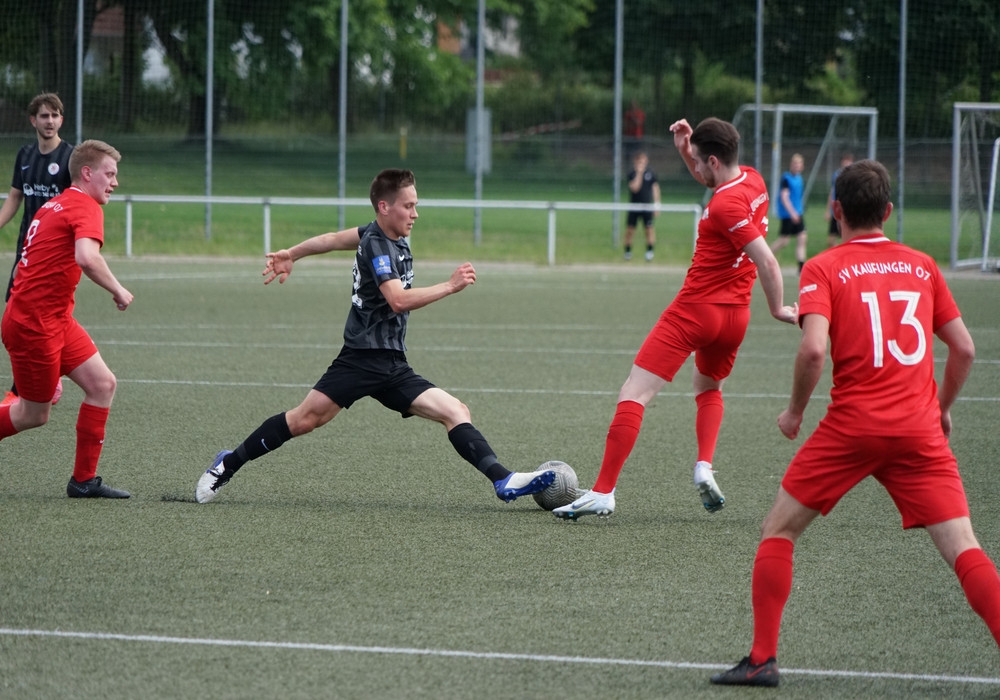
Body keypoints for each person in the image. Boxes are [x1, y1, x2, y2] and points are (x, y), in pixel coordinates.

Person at [711, 159, 1000, 688]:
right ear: (888, 211)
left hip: (852, 428)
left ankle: (762, 660)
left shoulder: (823, 267)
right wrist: (941, 410)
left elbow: (813, 350)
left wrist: (795, 412)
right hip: (918, 431)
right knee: (965, 548)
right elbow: (964, 348)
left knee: (778, 529)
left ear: (835, 210)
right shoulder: (923, 266)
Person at [196, 168, 556, 504]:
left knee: (455, 410)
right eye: (408, 206)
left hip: (392, 364)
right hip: (361, 359)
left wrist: (293, 253)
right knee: (304, 420)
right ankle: (227, 464)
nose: (415, 214)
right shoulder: (377, 244)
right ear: (385, 207)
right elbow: (397, 300)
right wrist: (449, 285)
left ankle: (503, 479)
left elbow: (332, 239)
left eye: (415, 205)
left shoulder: (383, 234)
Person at [554, 117, 798, 520]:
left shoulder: (723, 205)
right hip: (735, 317)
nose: (695, 169)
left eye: (699, 161)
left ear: (714, 161)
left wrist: (778, 308)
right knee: (708, 386)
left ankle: (602, 491)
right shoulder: (754, 181)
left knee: (634, 393)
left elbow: (768, 261)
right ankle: (704, 465)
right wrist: (686, 148)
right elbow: (712, 180)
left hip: (696, 310)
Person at [0, 139, 133, 498]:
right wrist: (118, 290)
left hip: (54, 319)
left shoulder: (53, 205)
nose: (115, 182)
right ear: (87, 173)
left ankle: (83, 481)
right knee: (33, 414)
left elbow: (34, 264)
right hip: (34, 324)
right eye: (110, 174)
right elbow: (86, 257)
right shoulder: (85, 206)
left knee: (102, 385)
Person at [0, 92, 74, 407]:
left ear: (61, 120)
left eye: (55, 116)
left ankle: (21, 390)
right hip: (26, 250)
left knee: (44, 317)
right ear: (33, 120)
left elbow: (78, 203)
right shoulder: (25, 154)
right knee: (16, 312)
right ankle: (44, 378)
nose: (50, 121)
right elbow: (15, 197)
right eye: (44, 116)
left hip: (55, 254)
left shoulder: (70, 157)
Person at [769, 153, 808, 273]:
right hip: (788, 214)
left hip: (798, 212)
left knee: (802, 237)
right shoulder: (786, 179)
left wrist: (798, 211)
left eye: (799, 164)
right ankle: (765, 257)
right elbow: (784, 197)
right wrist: (792, 213)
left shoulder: (799, 178)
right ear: (791, 165)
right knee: (784, 240)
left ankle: (801, 266)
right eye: (795, 163)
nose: (797, 166)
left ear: (802, 166)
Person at [623, 151, 660, 261]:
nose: (642, 164)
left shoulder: (651, 174)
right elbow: (635, 188)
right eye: (639, 162)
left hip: (646, 206)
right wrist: (639, 174)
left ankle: (649, 251)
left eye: (643, 162)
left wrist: (657, 204)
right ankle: (627, 252)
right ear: (635, 162)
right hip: (634, 207)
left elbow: (655, 188)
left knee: (649, 229)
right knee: (630, 230)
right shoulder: (632, 174)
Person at [824, 152, 854, 248]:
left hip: (846, 211)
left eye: (848, 162)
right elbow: (832, 192)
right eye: (845, 162)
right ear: (842, 162)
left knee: (846, 238)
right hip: (836, 211)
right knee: (831, 240)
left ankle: (847, 254)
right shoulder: (836, 175)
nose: (846, 164)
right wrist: (828, 210)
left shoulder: (853, 177)